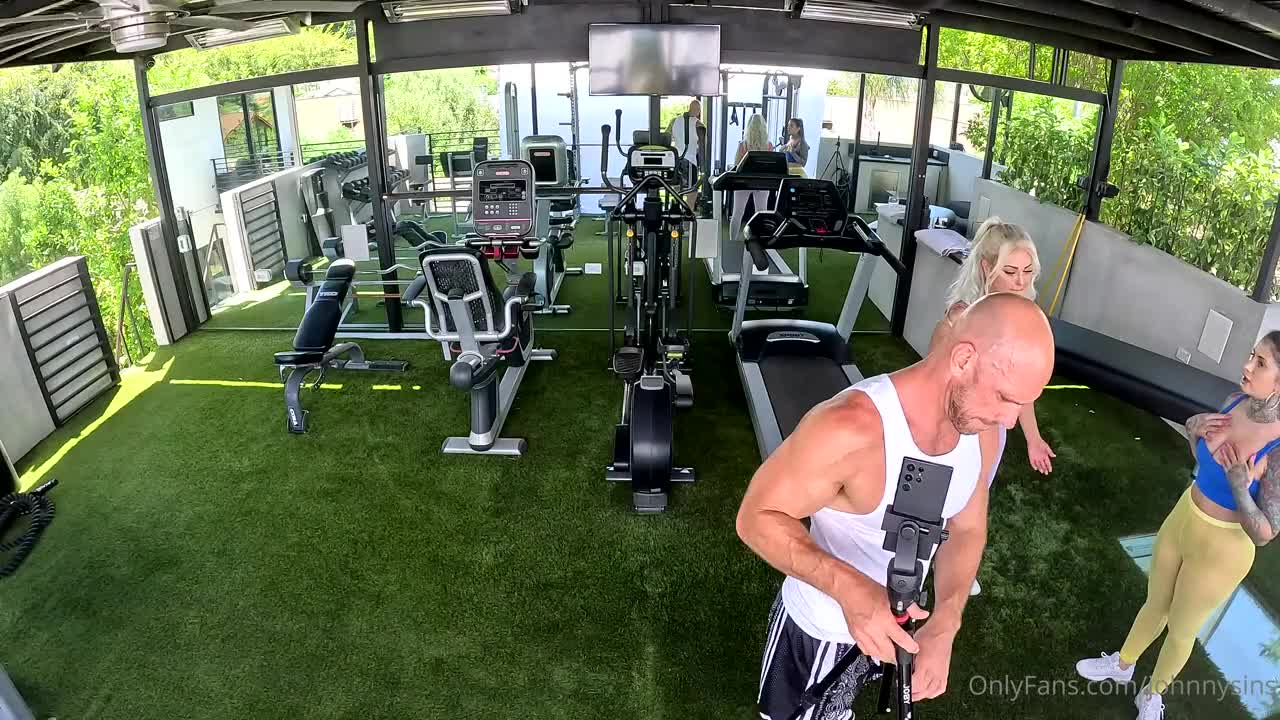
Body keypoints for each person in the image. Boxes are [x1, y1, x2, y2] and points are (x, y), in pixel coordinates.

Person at [738, 293, 1055, 720]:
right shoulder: (851, 427)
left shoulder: (979, 430)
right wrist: (851, 591)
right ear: (963, 360)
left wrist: (945, 622)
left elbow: (966, 529)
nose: (1011, 421)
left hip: (898, 625)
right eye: (1004, 397)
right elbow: (756, 517)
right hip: (819, 633)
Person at [1075, 332, 1280, 720]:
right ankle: (1123, 664)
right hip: (1184, 517)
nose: (1246, 366)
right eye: (1251, 356)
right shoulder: (1233, 401)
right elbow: (1204, 463)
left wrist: (1240, 487)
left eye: (1261, 363)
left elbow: (1265, 535)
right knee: (1155, 602)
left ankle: (1153, 695)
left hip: (1223, 551)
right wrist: (1192, 429)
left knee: (1182, 629)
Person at [928, 217, 1052, 595]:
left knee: (975, 492)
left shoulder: (1023, 317)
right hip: (957, 423)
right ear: (986, 267)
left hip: (992, 429)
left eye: (1027, 272)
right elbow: (933, 383)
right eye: (1010, 271)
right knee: (941, 493)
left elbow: (1021, 391)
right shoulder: (959, 318)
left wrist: (1033, 438)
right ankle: (925, 555)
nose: (1020, 281)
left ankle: (956, 563)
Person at [729, 114, 774, 245]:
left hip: (743, 182)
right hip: (762, 183)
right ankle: (760, 242)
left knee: (737, 213)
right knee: (761, 213)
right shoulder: (769, 146)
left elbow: (737, 165)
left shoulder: (743, 145)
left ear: (749, 127)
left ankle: (732, 241)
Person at [668, 99, 703, 213]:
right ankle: (688, 220)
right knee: (692, 193)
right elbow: (702, 146)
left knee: (677, 191)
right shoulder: (699, 124)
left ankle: (675, 214)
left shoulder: (674, 121)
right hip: (690, 162)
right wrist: (703, 166)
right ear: (698, 111)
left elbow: (666, 138)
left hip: (676, 161)